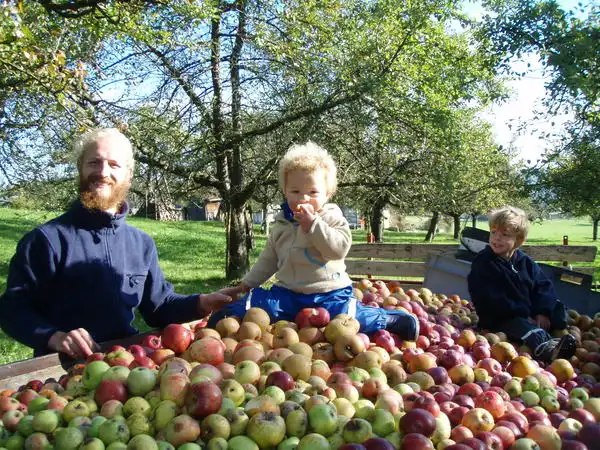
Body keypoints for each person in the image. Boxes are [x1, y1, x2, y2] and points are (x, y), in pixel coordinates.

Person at [0, 128, 235, 360]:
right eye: (94, 162)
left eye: (114, 165)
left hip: (128, 364)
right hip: (63, 371)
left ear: (129, 175)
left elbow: (158, 307)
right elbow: (12, 310)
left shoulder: (141, 244)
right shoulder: (46, 241)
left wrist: (201, 303)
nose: (103, 172)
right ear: (80, 168)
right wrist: (55, 337)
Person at [208, 142, 419, 340]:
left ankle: (390, 319)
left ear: (328, 193)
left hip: (329, 294)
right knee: (259, 307)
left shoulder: (331, 218)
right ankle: (229, 316)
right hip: (288, 294)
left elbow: (338, 249)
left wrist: (314, 226)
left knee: (348, 317)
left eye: (313, 192)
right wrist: (245, 285)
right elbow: (268, 260)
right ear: (285, 192)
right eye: (295, 192)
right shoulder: (281, 224)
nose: (303, 199)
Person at [467, 205, 577, 362]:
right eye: (493, 232)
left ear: (518, 240)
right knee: (526, 329)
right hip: (501, 317)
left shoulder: (525, 263)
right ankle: (546, 351)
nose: (496, 238)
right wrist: (524, 315)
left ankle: (558, 340)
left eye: (504, 234)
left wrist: (542, 312)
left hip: (528, 314)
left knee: (557, 310)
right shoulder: (484, 263)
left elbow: (543, 286)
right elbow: (490, 298)